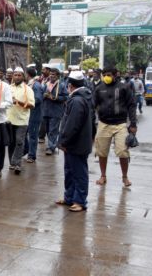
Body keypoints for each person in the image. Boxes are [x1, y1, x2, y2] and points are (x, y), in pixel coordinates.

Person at [56, 71, 96, 212]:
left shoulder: (78, 100)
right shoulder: (85, 97)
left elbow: (72, 125)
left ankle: (79, 201)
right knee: (70, 171)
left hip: (76, 143)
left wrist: (64, 141)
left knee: (79, 173)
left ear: (70, 85)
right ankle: (69, 198)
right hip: (77, 142)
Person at [93, 67, 137, 187]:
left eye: (108, 75)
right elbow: (93, 105)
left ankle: (125, 177)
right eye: (104, 75)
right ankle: (103, 176)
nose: (106, 77)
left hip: (120, 124)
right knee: (101, 151)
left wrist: (133, 124)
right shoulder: (99, 88)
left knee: (123, 151)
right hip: (103, 123)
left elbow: (132, 105)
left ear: (115, 75)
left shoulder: (124, 87)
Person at [6, 67, 35, 174]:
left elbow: (31, 105)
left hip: (22, 120)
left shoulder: (28, 89)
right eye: (15, 75)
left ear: (23, 77)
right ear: (13, 76)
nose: (17, 77)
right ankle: (12, 163)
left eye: (19, 75)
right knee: (11, 143)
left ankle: (17, 163)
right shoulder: (8, 88)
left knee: (19, 141)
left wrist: (18, 102)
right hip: (9, 120)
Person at [42, 68, 68, 155]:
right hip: (46, 110)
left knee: (53, 130)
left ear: (57, 76)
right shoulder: (46, 84)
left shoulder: (62, 85)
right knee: (48, 129)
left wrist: (54, 97)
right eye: (51, 74)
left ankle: (51, 147)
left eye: (54, 74)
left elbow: (65, 97)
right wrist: (44, 96)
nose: (51, 76)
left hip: (56, 111)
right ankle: (52, 144)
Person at [25, 67, 43, 163]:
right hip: (28, 115)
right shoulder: (30, 84)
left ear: (27, 74)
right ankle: (26, 151)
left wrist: (26, 103)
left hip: (34, 115)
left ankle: (32, 155)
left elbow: (38, 99)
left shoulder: (36, 85)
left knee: (33, 136)